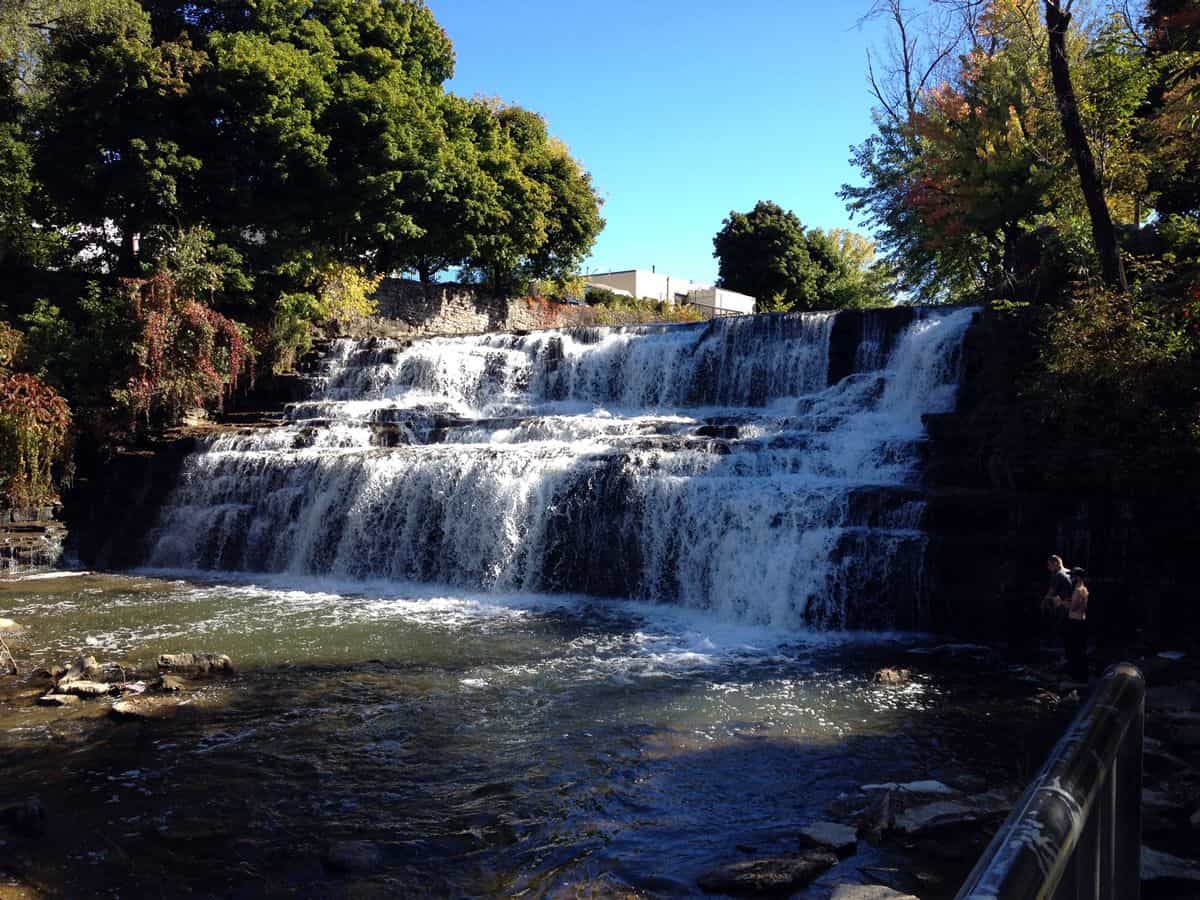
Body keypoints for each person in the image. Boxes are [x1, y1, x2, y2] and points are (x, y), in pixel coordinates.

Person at [1056, 567, 1089, 681]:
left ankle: (1075, 675)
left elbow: (1073, 608)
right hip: (1081, 621)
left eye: (1073, 576)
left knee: (1073, 650)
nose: (1071, 578)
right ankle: (1078, 674)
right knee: (1079, 649)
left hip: (1074, 623)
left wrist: (1060, 603)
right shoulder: (1084, 589)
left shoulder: (1078, 590)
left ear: (1077, 577)